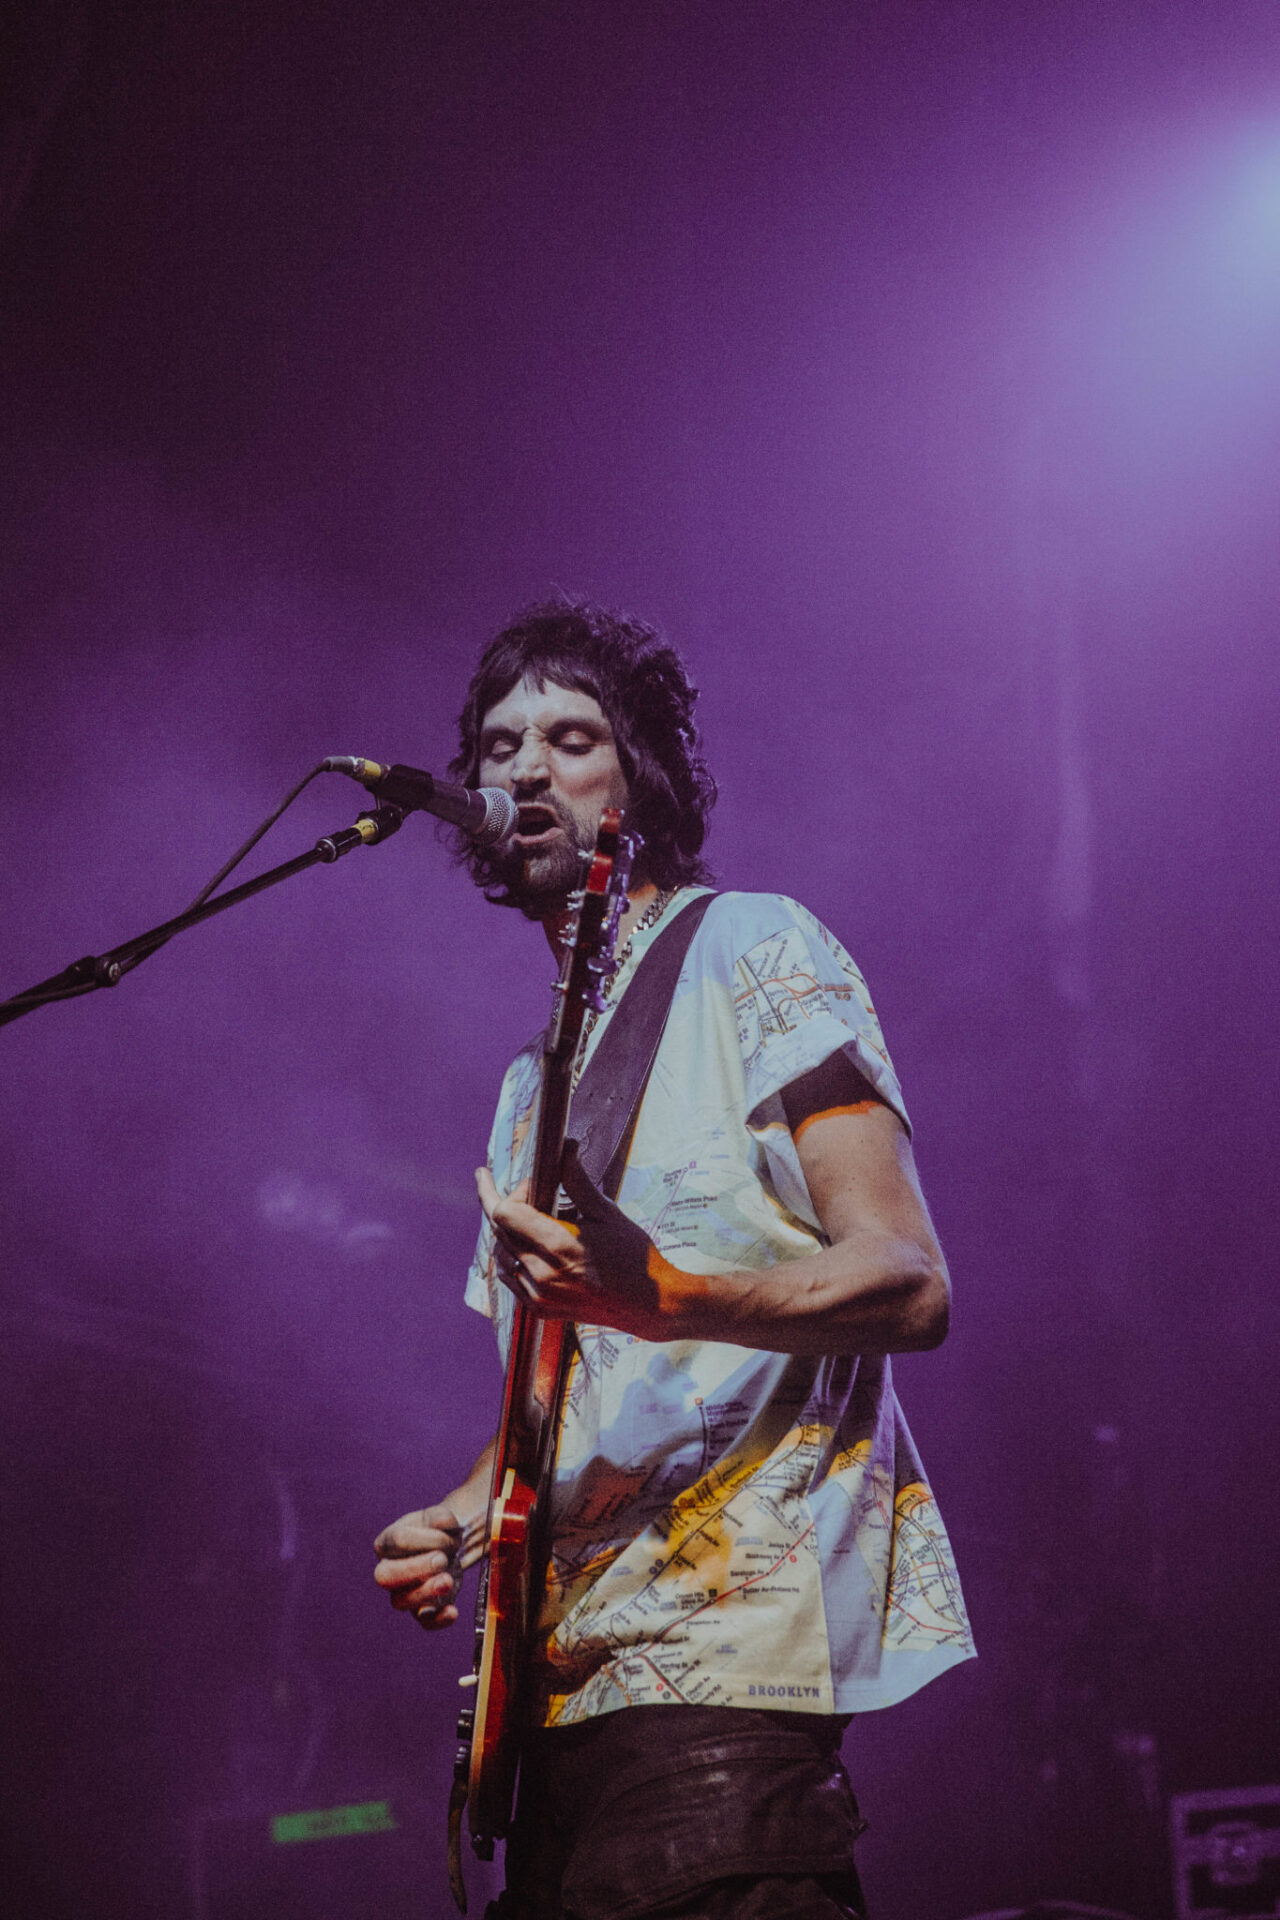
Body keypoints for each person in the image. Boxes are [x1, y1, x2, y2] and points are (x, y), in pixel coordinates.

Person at [374, 601, 974, 1919]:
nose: (526, 767)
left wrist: (668, 1295)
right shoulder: (527, 1086)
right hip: (556, 1713)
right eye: (499, 746)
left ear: (637, 773)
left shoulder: (756, 949)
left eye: (570, 736)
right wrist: (460, 1519)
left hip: (725, 1677)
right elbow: (561, 1392)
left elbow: (909, 1278)